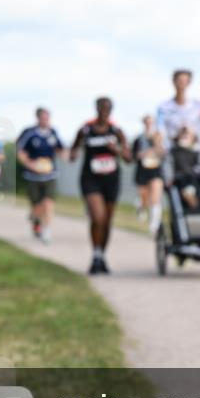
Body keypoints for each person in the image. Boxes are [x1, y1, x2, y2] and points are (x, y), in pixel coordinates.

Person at [69, 97, 132, 274]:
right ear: (96, 109)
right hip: (91, 179)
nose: (105, 111)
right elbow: (74, 149)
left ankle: (101, 256)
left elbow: (128, 158)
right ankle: (96, 255)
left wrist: (117, 150)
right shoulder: (86, 129)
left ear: (111, 110)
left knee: (107, 221)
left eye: (108, 108)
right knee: (98, 217)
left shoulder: (116, 130)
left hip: (111, 180)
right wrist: (73, 154)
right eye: (102, 108)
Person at [16, 108, 65, 243]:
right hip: (33, 176)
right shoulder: (29, 133)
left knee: (48, 203)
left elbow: (60, 149)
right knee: (37, 206)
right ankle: (35, 219)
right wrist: (29, 164)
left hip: (50, 175)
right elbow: (20, 151)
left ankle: (46, 230)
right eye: (43, 118)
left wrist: (67, 156)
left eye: (47, 118)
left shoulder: (53, 133)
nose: (45, 120)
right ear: (38, 118)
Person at [156, 69, 200, 157]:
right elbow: (159, 130)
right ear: (173, 82)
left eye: (184, 81)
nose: (181, 84)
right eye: (179, 81)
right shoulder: (163, 107)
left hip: (196, 151)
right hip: (172, 153)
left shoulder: (199, 105)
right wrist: (159, 146)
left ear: (189, 83)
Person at [132, 114, 166, 233]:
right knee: (143, 196)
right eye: (147, 122)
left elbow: (163, 153)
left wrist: (156, 144)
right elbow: (134, 155)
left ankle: (154, 224)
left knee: (156, 196)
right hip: (143, 169)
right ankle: (141, 208)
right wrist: (143, 154)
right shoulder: (139, 139)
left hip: (156, 170)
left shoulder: (159, 137)